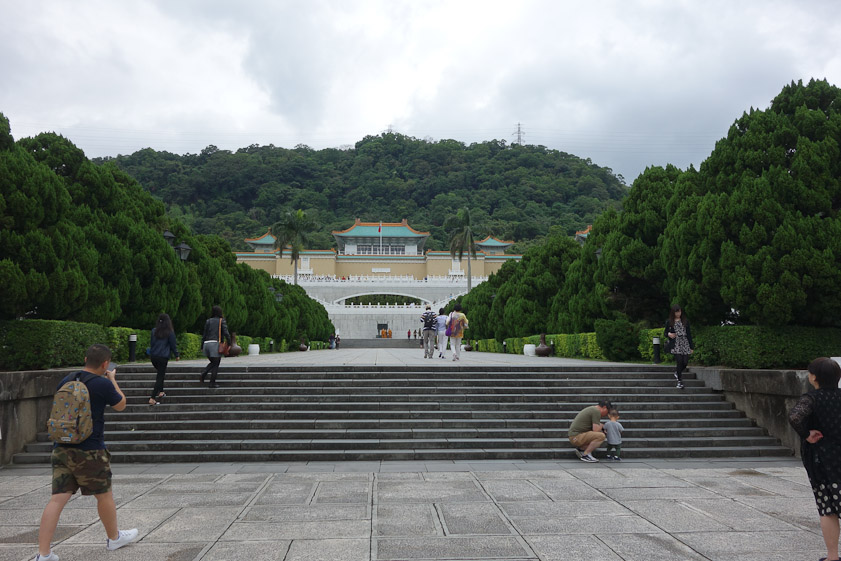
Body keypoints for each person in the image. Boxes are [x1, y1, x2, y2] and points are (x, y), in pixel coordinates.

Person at [35, 344, 139, 560]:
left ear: (85, 359)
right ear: (105, 364)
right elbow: (121, 405)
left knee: (57, 499)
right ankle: (114, 538)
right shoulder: (102, 383)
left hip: (62, 447)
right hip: (90, 449)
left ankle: (43, 554)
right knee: (104, 495)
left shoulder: (67, 380)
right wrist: (112, 379)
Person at [789, 357, 841, 561]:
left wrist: (807, 434)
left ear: (814, 377)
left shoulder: (812, 398)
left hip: (822, 459)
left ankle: (832, 557)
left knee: (827, 508)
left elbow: (794, 416)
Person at [147, 313, 180, 406]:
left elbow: (152, 343)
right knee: (160, 376)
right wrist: (176, 355)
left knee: (160, 373)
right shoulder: (169, 332)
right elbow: (173, 344)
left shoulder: (154, 331)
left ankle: (161, 391)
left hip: (154, 356)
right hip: (163, 357)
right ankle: (152, 398)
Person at [200, 305, 231, 388]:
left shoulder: (208, 321)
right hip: (215, 344)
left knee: (213, 362)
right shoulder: (222, 321)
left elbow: (204, 334)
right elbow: (226, 333)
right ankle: (211, 382)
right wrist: (229, 343)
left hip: (206, 344)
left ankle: (204, 373)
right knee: (216, 364)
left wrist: (201, 346)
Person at [664, 304, 693, 389]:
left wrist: (691, 347)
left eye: (679, 311)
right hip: (676, 343)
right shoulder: (669, 322)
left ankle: (677, 372)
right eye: (676, 312)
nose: (678, 314)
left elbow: (689, 334)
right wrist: (669, 334)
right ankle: (679, 381)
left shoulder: (685, 321)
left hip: (685, 342)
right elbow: (665, 333)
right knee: (679, 361)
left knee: (685, 362)